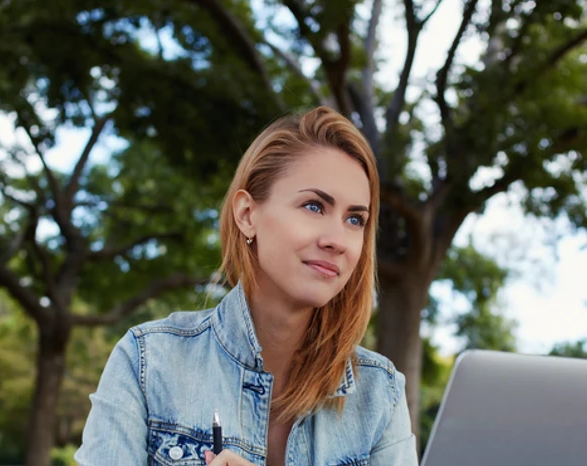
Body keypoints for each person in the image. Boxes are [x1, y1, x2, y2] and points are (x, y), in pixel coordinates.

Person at [75, 106, 417, 466]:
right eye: (314, 206)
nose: (338, 240)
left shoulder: (380, 393)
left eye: (354, 219)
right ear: (247, 215)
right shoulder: (149, 362)